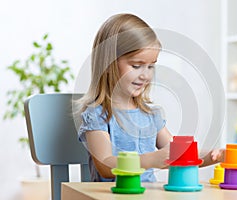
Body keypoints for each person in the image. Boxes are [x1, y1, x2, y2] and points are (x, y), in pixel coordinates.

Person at [77, 13, 224, 182]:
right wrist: (150, 160)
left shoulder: (150, 115)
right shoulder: (97, 115)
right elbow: (105, 165)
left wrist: (215, 155)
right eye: (137, 65)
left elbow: (179, 155)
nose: (145, 75)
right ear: (108, 64)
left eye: (151, 66)